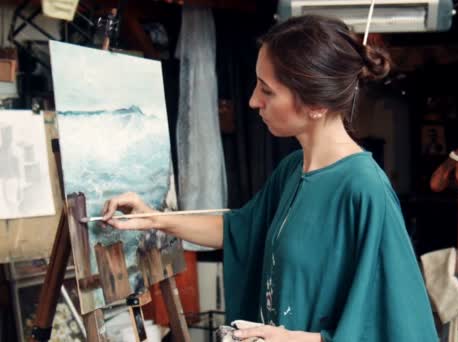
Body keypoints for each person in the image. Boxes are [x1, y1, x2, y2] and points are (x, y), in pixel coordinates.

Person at [102, 15, 438, 341]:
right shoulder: (293, 169)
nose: (252, 101)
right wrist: (154, 219)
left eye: (267, 91)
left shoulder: (364, 189)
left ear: (316, 103)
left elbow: (394, 325)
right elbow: (238, 230)